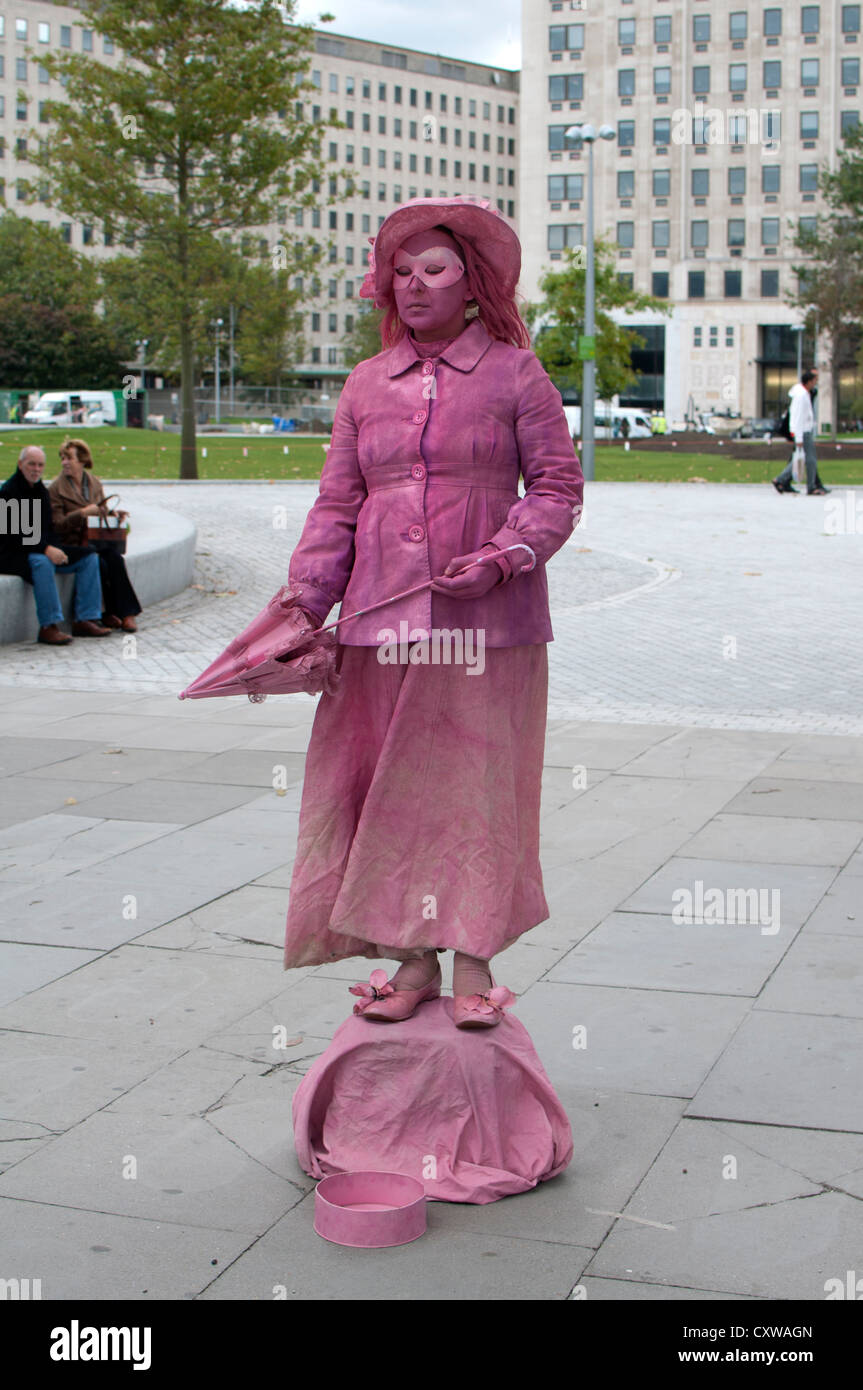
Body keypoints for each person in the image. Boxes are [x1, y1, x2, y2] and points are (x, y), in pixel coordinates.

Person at [282, 194, 584, 1029]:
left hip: (490, 629)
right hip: (378, 622)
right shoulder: (363, 384)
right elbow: (335, 507)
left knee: (475, 787)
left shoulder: (516, 375)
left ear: (472, 285)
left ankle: (475, 955)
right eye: (401, 272)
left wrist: (503, 552)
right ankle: (411, 957)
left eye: (434, 270)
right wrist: (305, 604)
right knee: (385, 787)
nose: (413, 285)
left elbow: (558, 489)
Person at [0, 446, 111, 645]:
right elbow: (16, 537)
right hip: (12, 555)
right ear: (20, 464)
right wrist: (46, 549)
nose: (36, 469)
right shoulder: (9, 492)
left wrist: (55, 547)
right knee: (42, 563)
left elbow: (49, 529)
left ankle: (86, 618)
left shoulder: (40, 491)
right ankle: (48, 626)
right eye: (31, 464)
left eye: (40, 465)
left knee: (88, 557)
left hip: (38, 548)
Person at [49, 438, 141, 631]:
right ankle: (106, 613)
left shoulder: (94, 483)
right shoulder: (56, 489)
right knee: (98, 562)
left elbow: (102, 511)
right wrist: (81, 514)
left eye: (69, 458)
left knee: (115, 559)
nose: (64, 462)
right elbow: (56, 525)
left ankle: (126, 613)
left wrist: (114, 515)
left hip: (94, 540)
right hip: (73, 543)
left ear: (82, 461)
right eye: (62, 458)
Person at [772, 368, 831, 496]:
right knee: (809, 459)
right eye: (814, 380)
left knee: (805, 459)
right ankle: (809, 486)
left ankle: (782, 479)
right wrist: (798, 438)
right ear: (809, 382)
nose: (816, 383)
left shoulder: (804, 394)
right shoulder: (801, 396)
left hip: (804, 431)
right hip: (803, 432)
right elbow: (797, 418)